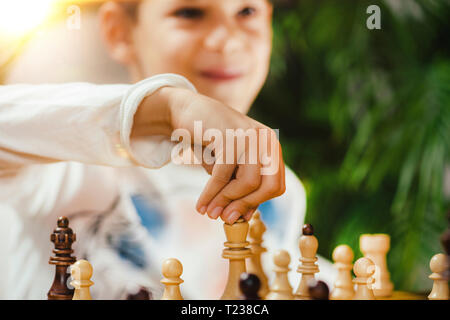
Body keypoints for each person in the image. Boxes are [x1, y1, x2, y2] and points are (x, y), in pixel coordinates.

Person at [0, 0, 334, 299]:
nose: (227, 40)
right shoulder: (58, 165)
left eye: (247, 11)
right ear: (120, 32)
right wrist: (169, 108)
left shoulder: (278, 188)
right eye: (189, 12)